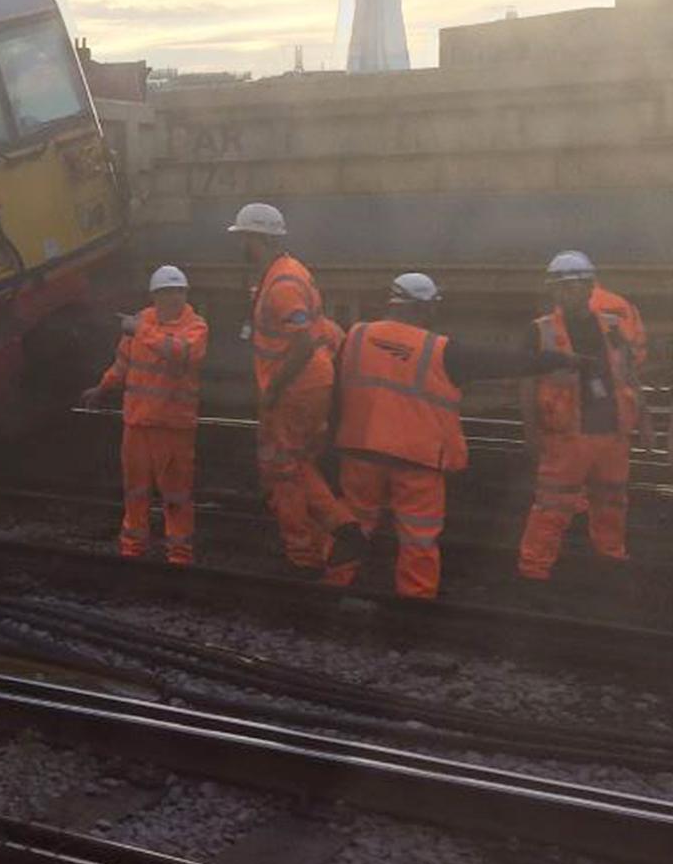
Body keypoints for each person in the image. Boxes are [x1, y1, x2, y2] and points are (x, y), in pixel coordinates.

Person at [329, 273, 580, 599]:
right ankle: (415, 600)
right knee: (418, 537)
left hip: (361, 452)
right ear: (426, 309)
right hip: (417, 461)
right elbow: (503, 362)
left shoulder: (356, 336)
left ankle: (332, 586)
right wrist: (558, 358)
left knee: (352, 523)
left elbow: (333, 389)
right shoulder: (440, 350)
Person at [229, 202, 368, 574]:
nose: (240, 245)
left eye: (243, 238)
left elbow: (302, 342)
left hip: (295, 388)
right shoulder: (285, 272)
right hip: (308, 384)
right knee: (300, 463)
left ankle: (309, 551)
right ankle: (334, 540)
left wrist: (274, 387)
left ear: (256, 239)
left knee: (284, 472)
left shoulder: (283, 283)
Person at [517, 251, 647, 583]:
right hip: (566, 437)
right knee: (552, 506)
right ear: (553, 291)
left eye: (576, 286)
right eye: (562, 287)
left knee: (612, 501)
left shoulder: (614, 327)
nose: (569, 293)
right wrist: (531, 434)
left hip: (611, 432)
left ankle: (610, 558)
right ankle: (534, 569)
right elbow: (527, 385)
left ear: (590, 288)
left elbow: (628, 375)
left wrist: (644, 421)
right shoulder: (540, 331)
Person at [82, 265, 209, 564]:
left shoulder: (195, 327)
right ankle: (132, 549)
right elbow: (122, 366)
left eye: (179, 291)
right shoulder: (140, 324)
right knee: (135, 492)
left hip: (173, 427)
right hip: (138, 424)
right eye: (167, 292)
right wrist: (101, 388)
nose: (174, 298)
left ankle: (179, 555)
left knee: (176, 496)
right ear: (155, 296)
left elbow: (181, 352)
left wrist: (140, 330)